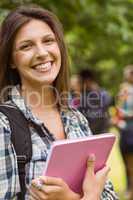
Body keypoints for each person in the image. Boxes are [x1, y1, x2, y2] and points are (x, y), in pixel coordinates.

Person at [0, 5, 118, 200]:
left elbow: (109, 194)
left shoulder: (76, 119)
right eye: (26, 46)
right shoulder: (4, 124)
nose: (42, 53)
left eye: (48, 41)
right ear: (12, 60)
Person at [116, 65, 133, 200]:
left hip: (129, 131)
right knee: (127, 162)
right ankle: (129, 187)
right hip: (126, 131)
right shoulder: (124, 90)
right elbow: (119, 110)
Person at [78, 69, 112, 135]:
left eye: (81, 81)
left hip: (99, 132)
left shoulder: (102, 94)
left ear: (87, 80)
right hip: (95, 132)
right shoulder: (104, 93)